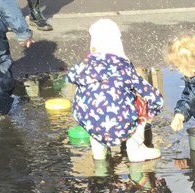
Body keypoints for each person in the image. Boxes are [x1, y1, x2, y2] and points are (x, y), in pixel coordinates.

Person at [67, 19, 164, 162]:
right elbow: (152, 96)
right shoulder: (123, 66)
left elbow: (70, 77)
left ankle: (99, 153)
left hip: (90, 122)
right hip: (121, 122)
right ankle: (135, 148)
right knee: (140, 102)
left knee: (92, 104)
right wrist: (151, 112)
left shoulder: (83, 66)